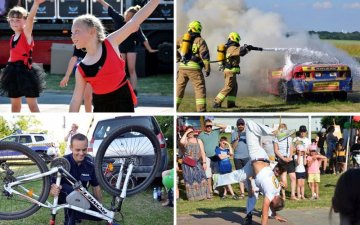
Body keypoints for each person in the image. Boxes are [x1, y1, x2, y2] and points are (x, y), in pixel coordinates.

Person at [69, 0, 160, 112]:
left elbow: (134, 22)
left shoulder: (110, 42)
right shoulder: (81, 69)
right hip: (101, 107)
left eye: (77, 31)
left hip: (124, 102)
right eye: (72, 33)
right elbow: (76, 100)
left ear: (92, 31)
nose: (73, 36)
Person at [213, 120, 288, 225]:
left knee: (240, 175)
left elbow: (272, 206)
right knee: (249, 123)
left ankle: (218, 179)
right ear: (274, 200)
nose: (269, 204)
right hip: (257, 155)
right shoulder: (271, 194)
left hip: (258, 163)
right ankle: (273, 131)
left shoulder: (277, 190)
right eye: (272, 204)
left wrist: (275, 215)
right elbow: (265, 214)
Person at [96, 0, 158, 95]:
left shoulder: (134, 25)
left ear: (133, 18)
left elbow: (143, 38)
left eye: (130, 17)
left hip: (131, 48)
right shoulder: (119, 19)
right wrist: (101, 1)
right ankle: (120, 88)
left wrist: (149, 49)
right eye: (127, 16)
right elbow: (110, 9)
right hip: (120, 48)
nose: (127, 18)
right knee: (121, 70)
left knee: (132, 70)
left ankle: (133, 91)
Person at [0, 0, 46, 112]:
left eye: (18, 20)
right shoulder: (12, 37)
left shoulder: (26, 34)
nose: (14, 23)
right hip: (12, 72)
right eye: (12, 20)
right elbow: (12, 57)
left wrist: (36, 4)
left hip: (25, 72)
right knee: (15, 106)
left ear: (25, 21)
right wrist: (5, 74)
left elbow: (30, 20)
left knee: (32, 105)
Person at [50, 133, 103, 225]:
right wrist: (52, 190)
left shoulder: (90, 165)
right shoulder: (62, 163)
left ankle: (78, 214)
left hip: (82, 197)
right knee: (72, 194)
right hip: (64, 195)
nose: (81, 153)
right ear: (71, 148)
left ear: (87, 147)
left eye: (84, 150)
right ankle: (71, 220)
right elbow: (51, 186)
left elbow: (96, 187)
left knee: (100, 216)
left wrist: (100, 206)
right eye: (78, 150)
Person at [213, 32, 258, 108]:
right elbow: (241, 52)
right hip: (230, 71)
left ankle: (231, 104)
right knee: (228, 87)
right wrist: (246, 48)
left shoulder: (230, 47)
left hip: (231, 71)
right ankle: (217, 102)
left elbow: (241, 52)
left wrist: (247, 48)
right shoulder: (232, 47)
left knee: (234, 88)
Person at [176, 20, 210, 112]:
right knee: (199, 88)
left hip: (182, 67)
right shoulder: (200, 41)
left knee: (179, 88)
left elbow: (173, 46)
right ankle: (201, 110)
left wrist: (178, 57)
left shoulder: (182, 38)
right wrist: (207, 69)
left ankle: (175, 107)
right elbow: (205, 56)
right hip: (195, 68)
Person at [198, 119, 227, 198]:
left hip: (216, 156)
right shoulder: (201, 135)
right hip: (207, 157)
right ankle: (210, 192)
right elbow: (200, 147)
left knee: (217, 175)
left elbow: (225, 126)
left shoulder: (216, 132)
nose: (209, 127)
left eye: (210, 126)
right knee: (208, 175)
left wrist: (213, 123)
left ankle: (218, 190)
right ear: (204, 126)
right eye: (207, 126)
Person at [179, 126, 209, 200]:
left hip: (197, 162)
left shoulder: (198, 140)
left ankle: (203, 196)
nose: (190, 133)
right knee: (190, 179)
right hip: (187, 164)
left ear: (194, 132)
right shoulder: (185, 140)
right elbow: (181, 142)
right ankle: (193, 198)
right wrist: (186, 132)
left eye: (191, 131)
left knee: (201, 178)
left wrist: (204, 162)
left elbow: (202, 152)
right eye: (189, 132)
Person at [60, 46, 93, 112]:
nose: (73, 36)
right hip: (82, 69)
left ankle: (89, 114)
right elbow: (74, 58)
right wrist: (67, 76)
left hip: (94, 68)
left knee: (87, 97)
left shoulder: (97, 42)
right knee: (79, 97)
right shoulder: (79, 43)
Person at [274, 123, 297, 201]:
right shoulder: (276, 138)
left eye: (284, 128)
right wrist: (283, 158)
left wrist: (290, 157)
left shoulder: (289, 138)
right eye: (281, 128)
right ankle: (283, 195)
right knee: (284, 180)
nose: (283, 129)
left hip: (289, 159)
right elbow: (276, 150)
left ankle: (292, 195)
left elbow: (291, 148)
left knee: (293, 177)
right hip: (281, 159)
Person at [231, 118, 250, 198]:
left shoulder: (248, 133)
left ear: (244, 125)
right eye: (239, 124)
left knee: (248, 175)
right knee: (240, 175)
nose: (240, 126)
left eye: (242, 124)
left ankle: (250, 191)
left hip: (247, 157)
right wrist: (237, 139)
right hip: (237, 157)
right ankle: (242, 193)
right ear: (237, 125)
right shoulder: (234, 134)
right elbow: (233, 147)